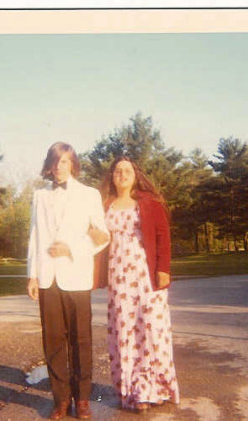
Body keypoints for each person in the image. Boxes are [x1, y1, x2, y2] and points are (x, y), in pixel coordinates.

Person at [27, 142, 110, 420]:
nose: (59, 167)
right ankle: (61, 400)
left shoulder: (89, 195)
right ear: (49, 165)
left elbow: (102, 235)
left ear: (73, 164)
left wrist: (71, 248)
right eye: (55, 162)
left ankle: (83, 399)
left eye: (64, 162)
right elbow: (34, 236)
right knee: (53, 341)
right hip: (48, 278)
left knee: (81, 340)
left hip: (76, 276)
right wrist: (32, 274)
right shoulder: (39, 196)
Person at [93, 156, 180, 413]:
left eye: (127, 169)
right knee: (126, 331)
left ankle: (158, 387)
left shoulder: (149, 203)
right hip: (118, 281)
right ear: (111, 177)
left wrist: (163, 269)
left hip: (146, 276)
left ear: (136, 174)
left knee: (152, 330)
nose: (122, 173)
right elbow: (97, 238)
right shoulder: (105, 205)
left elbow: (163, 236)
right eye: (117, 170)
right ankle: (134, 390)